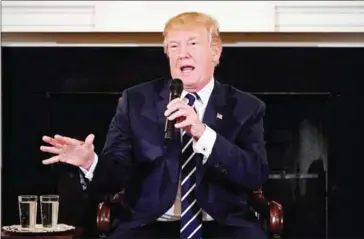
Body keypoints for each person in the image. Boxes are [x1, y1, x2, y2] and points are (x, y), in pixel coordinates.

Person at [40, 11, 269, 239]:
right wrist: (90, 162)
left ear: (215, 52)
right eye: (174, 47)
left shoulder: (245, 106)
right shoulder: (136, 101)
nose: (183, 54)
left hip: (224, 225)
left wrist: (204, 134)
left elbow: (255, 174)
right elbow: (115, 175)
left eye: (193, 43)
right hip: (148, 224)